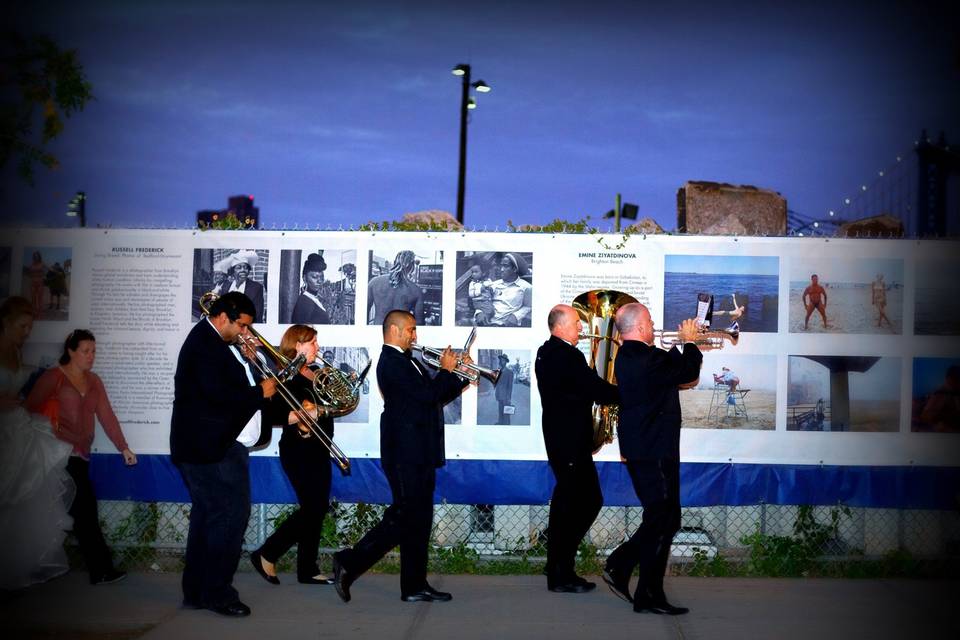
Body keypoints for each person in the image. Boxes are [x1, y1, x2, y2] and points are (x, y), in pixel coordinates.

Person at [332, 309, 469, 603]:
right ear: (394, 330)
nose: (415, 335)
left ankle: (414, 586)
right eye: (411, 329)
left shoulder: (408, 361)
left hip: (420, 452)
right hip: (405, 454)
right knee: (405, 517)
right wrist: (447, 370)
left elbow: (434, 396)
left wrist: (460, 375)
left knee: (419, 521)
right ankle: (350, 562)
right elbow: (429, 395)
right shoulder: (391, 362)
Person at [170, 291, 277, 617]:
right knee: (230, 516)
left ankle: (198, 590)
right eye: (242, 326)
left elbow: (224, 387)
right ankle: (218, 592)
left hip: (209, 446)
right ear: (222, 318)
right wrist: (261, 391)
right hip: (211, 449)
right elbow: (218, 396)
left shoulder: (214, 342)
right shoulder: (205, 345)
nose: (245, 332)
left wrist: (250, 359)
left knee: (209, 516)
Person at [603, 303, 701, 615]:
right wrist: (690, 341)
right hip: (655, 450)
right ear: (640, 326)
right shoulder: (648, 358)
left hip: (643, 448)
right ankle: (628, 570)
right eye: (650, 320)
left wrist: (680, 346)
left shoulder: (630, 356)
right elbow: (687, 371)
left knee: (664, 518)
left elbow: (666, 372)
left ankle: (640, 584)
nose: (654, 324)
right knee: (664, 517)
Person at [25, 328, 137, 586]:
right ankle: (100, 570)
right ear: (71, 351)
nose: (91, 356)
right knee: (77, 512)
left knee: (80, 513)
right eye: (86, 351)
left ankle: (96, 570)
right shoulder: (54, 378)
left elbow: (107, 416)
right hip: (54, 455)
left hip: (80, 456)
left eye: (94, 351)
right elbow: (29, 409)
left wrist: (124, 447)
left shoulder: (94, 381)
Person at [535, 304, 619, 593]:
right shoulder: (566, 355)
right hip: (570, 443)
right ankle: (561, 570)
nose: (582, 328)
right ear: (559, 326)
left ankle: (556, 563)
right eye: (576, 323)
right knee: (588, 501)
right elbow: (594, 388)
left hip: (562, 442)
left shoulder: (547, 351)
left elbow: (581, 387)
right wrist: (629, 394)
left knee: (566, 504)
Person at [252, 324, 337, 585]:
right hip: (299, 450)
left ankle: (307, 569)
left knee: (317, 508)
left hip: (320, 448)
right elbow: (273, 413)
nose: (318, 348)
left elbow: (327, 408)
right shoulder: (284, 377)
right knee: (314, 507)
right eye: (313, 343)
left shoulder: (313, 374)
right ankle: (267, 553)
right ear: (298, 345)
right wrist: (299, 419)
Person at [0, 297, 74, 590]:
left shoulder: (17, 351)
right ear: (5, 323)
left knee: (18, 501)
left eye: (30, 326)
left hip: (16, 429)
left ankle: (10, 569)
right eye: (22, 325)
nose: (27, 331)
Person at [367, 250, 424, 325]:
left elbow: (363, 313)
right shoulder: (416, 291)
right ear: (412, 266)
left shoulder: (373, 282)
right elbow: (419, 323)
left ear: (394, 263)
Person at [486, 253, 532, 327]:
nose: (501, 269)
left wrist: (516, 316)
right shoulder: (494, 284)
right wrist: (479, 312)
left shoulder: (526, 287)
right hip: (487, 322)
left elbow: (528, 306)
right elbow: (482, 299)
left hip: (504, 324)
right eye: (501, 265)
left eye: (506, 266)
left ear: (514, 269)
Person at [291, 253, 331, 324]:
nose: (319, 281)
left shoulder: (313, 299)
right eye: (314, 277)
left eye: (321, 277)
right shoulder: (304, 302)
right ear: (304, 278)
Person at [920, 365, 960, 433]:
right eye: (954, 379)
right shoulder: (941, 393)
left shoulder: (949, 392)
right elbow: (925, 416)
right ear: (948, 378)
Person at [227, 251, 265, 323]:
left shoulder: (256, 288)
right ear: (233, 271)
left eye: (245, 267)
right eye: (239, 267)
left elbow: (257, 315)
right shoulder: (226, 287)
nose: (243, 270)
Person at [495, 353, 514, 425]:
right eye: (501, 360)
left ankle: (507, 426)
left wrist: (508, 398)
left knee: (506, 413)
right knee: (500, 411)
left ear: (506, 362)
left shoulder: (510, 372)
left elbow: (510, 387)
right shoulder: (499, 371)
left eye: (503, 360)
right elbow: (497, 384)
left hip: (506, 397)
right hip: (499, 396)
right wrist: (496, 394)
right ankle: (500, 423)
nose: (501, 361)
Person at [27, 251, 46, 316]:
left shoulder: (42, 264)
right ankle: (34, 311)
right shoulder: (31, 265)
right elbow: (29, 274)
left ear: (39, 257)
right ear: (33, 257)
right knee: (33, 298)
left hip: (40, 282)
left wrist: (57, 272)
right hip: (33, 282)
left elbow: (48, 269)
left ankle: (39, 312)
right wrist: (33, 275)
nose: (36, 257)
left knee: (40, 298)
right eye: (35, 256)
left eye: (37, 256)